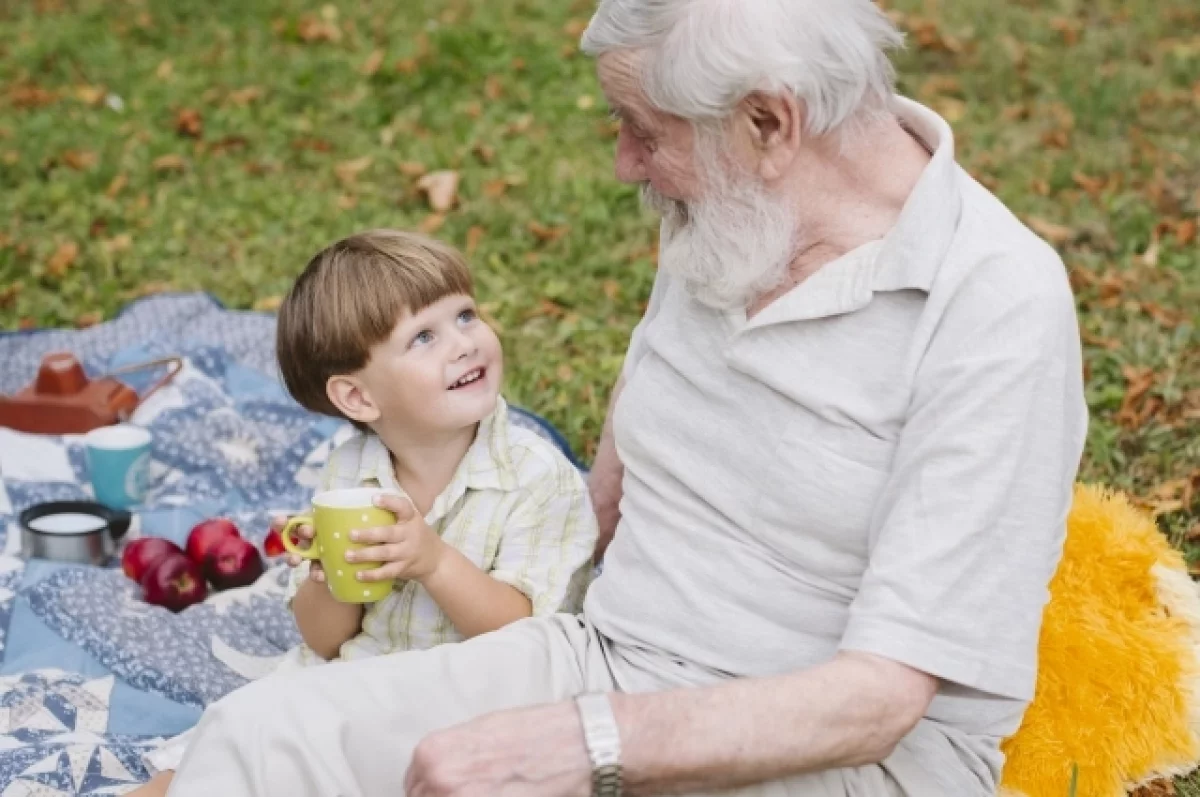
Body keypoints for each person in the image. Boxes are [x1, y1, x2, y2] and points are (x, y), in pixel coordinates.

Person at [163, 1, 1089, 795]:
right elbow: (640, 418)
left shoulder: (996, 302)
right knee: (260, 736)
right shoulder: (731, 214)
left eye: (643, 128)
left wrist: (585, 749)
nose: (623, 162)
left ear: (769, 123)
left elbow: (880, 700)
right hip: (607, 667)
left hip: (843, 758)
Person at [132, 229, 596, 796]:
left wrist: (435, 563)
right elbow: (324, 642)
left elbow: (532, 645)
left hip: (474, 704)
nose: (464, 342)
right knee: (207, 755)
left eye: (466, 315)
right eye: (424, 336)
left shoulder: (537, 478)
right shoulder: (351, 476)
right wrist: (331, 580)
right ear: (358, 398)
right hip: (352, 679)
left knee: (272, 753)